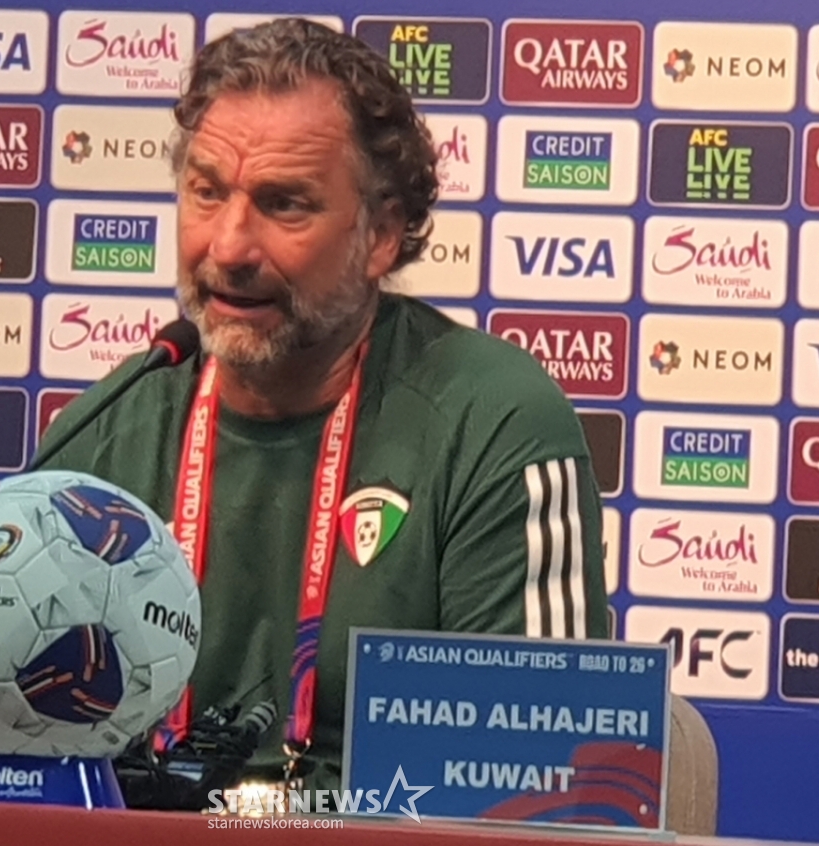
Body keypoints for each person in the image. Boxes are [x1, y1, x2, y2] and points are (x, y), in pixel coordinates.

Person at [39, 17, 608, 791]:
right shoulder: (101, 434)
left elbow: (535, 787)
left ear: (381, 235)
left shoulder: (493, 425)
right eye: (207, 191)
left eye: (284, 205)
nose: (229, 247)